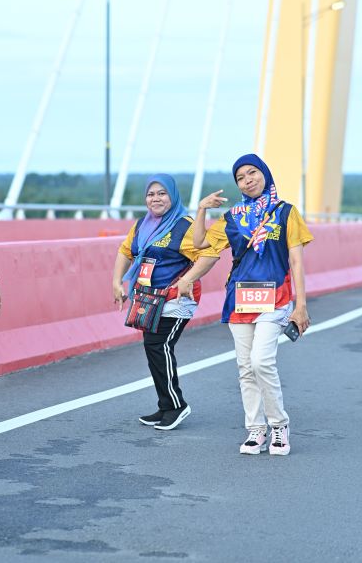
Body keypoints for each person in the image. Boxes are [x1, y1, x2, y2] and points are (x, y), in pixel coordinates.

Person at [186, 153, 314, 455]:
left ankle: (279, 425)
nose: (247, 180)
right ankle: (255, 429)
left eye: (252, 173)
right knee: (245, 368)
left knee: (261, 361)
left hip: (276, 297)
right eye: (240, 178)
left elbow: (296, 261)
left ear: (265, 173)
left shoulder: (286, 212)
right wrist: (202, 209)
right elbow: (199, 242)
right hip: (240, 299)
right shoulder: (234, 217)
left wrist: (301, 305)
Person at [113, 174, 218, 431]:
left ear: (173, 196)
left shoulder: (184, 226)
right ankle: (166, 405)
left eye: (162, 193)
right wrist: (117, 281)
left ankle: (176, 405)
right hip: (149, 300)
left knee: (159, 345)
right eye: (151, 194)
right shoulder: (142, 225)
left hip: (176, 299)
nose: (156, 198)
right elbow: (126, 251)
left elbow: (210, 253)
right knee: (153, 348)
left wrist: (187, 280)